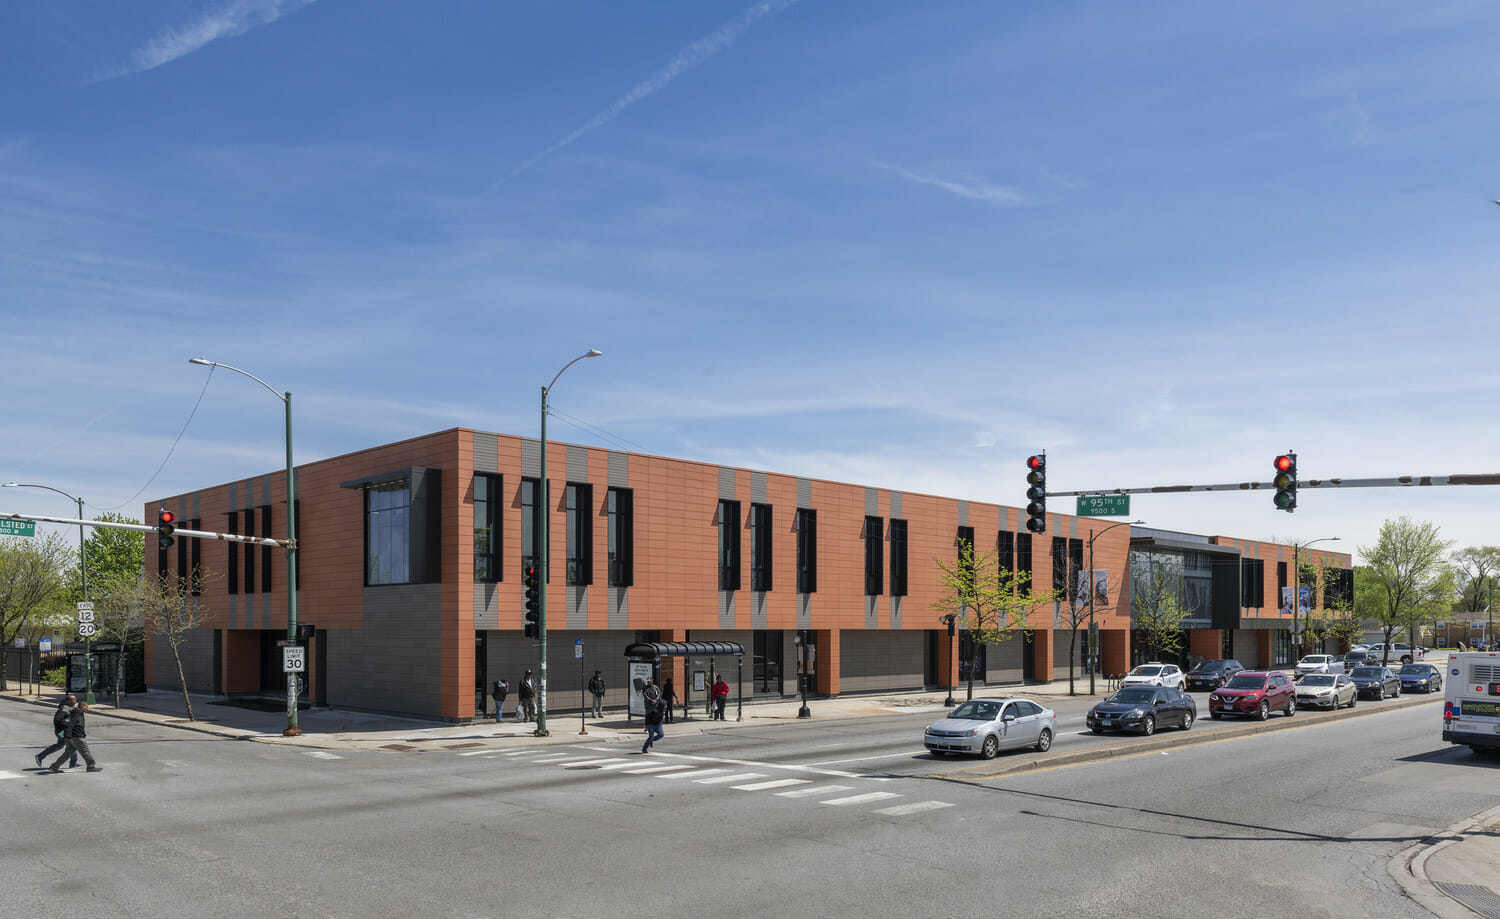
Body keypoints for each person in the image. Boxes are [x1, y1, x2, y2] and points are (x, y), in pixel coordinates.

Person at [48, 700, 101, 773]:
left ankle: (54, 767)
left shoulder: (77, 714)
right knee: (85, 752)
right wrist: (67, 736)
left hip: (73, 737)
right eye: (86, 707)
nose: (87, 708)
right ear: (82, 706)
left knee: (67, 754)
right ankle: (91, 766)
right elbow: (69, 726)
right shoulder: (77, 715)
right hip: (77, 737)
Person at [35, 694, 79, 769]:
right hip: (63, 732)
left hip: (62, 731)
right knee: (72, 746)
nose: (76, 701)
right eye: (74, 699)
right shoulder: (65, 708)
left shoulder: (68, 707)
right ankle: (73, 764)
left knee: (60, 745)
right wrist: (69, 725)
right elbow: (58, 719)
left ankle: (40, 756)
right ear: (69, 701)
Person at [641, 681, 665, 753]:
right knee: (650, 736)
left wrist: (656, 700)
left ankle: (651, 741)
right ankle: (644, 748)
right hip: (651, 724)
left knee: (661, 734)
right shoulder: (645, 689)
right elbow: (645, 696)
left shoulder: (655, 687)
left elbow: (658, 695)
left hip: (657, 724)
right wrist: (652, 701)